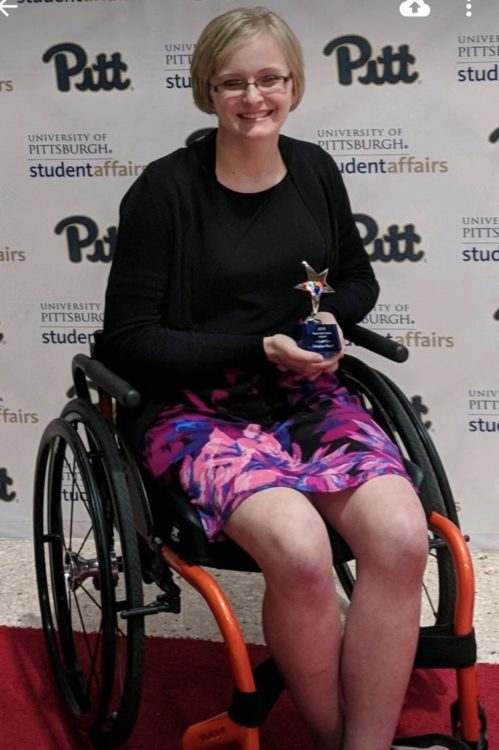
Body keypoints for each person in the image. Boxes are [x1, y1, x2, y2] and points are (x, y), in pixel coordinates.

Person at [102, 7, 429, 750]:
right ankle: (333, 734)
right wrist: (263, 346)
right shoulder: (163, 192)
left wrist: (330, 327)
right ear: (205, 90)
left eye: (270, 79)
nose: (255, 98)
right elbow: (129, 340)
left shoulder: (313, 169)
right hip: (191, 411)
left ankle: (365, 746)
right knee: (302, 550)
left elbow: (354, 278)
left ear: (294, 84)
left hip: (304, 395)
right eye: (233, 83)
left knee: (403, 536)